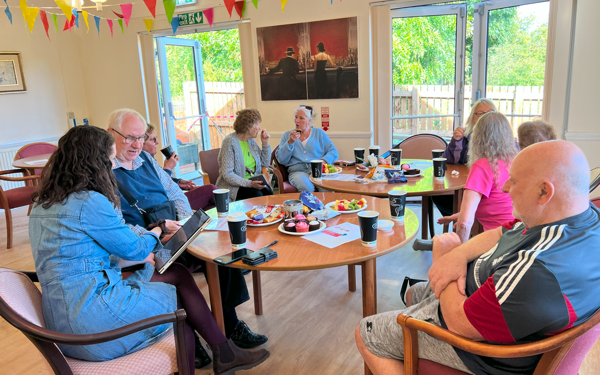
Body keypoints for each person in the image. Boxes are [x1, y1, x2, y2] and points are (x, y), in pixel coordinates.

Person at [29, 126, 269, 375]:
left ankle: (223, 352)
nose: (112, 166)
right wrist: (158, 230)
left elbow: (84, 250)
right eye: (109, 160)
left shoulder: (43, 203)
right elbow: (134, 248)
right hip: (91, 324)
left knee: (176, 273)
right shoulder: (89, 201)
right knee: (178, 308)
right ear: (94, 162)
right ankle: (221, 352)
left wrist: (148, 238)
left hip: (63, 321)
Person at [356, 140, 600, 375]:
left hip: (481, 352)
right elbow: (501, 231)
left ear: (544, 191)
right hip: (486, 300)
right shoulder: (578, 217)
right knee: (413, 293)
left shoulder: (538, 272)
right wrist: (459, 256)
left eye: (513, 181)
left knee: (366, 333)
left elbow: (459, 323)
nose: (505, 188)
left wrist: (444, 258)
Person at [107, 109, 268, 362]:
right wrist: (157, 234)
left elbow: (174, 193)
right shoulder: (105, 174)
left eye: (141, 138)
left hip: (173, 231)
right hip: (148, 245)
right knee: (182, 270)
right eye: (129, 138)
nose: (137, 145)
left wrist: (184, 223)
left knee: (221, 249)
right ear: (111, 134)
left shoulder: (146, 161)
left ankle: (230, 325)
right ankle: (197, 341)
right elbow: (115, 227)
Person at [437, 112, 517, 243]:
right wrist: (460, 215)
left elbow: (464, 224)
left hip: (499, 242)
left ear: (477, 137)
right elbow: (501, 206)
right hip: (519, 236)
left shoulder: (482, 166)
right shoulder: (513, 162)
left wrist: (458, 255)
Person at [431, 99, 500, 218]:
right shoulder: (466, 135)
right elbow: (449, 161)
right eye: (480, 113)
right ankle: (461, 221)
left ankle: (468, 221)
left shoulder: (503, 138)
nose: (485, 117)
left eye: (490, 113)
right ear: (473, 117)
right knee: (439, 195)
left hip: (490, 188)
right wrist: (456, 141)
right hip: (467, 184)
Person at [143, 123, 217, 211]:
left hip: (171, 200)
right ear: (141, 142)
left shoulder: (149, 158)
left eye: (157, 138)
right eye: (153, 140)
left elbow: (158, 179)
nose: (157, 142)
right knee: (211, 190)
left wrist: (178, 182)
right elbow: (157, 188)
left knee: (212, 206)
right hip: (165, 205)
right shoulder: (141, 163)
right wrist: (168, 168)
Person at [275, 105, 339, 192]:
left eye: (301, 118)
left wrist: (323, 162)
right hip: (297, 172)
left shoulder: (319, 133)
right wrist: (290, 142)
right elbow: (282, 160)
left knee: (328, 188)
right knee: (307, 188)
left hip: (318, 171)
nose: (297, 120)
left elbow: (333, 151)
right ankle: (309, 206)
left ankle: (324, 205)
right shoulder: (287, 136)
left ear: (309, 121)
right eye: (296, 117)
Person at [216, 109, 272, 201]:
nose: (259, 128)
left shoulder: (250, 141)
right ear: (248, 127)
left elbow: (265, 163)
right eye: (257, 124)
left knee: (269, 193)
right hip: (234, 187)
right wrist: (249, 183)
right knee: (257, 195)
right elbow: (227, 174)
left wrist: (265, 143)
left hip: (253, 185)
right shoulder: (229, 142)